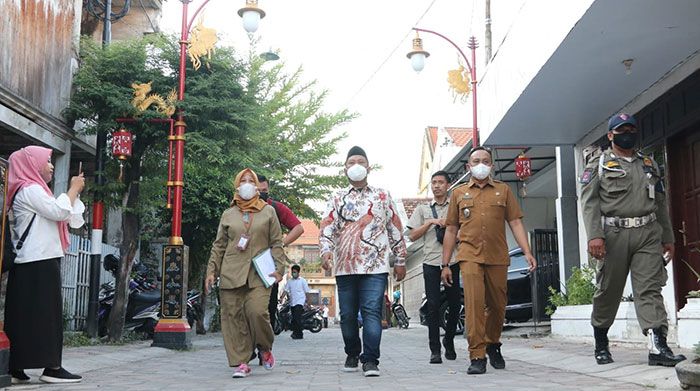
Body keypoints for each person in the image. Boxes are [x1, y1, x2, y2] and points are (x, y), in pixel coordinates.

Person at [579, 113, 686, 367]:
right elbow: (589, 202)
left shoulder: (648, 164)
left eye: (631, 129)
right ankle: (601, 341)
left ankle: (657, 346)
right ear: (610, 135)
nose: (627, 133)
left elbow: (660, 202)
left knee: (650, 288)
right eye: (621, 129)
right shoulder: (598, 164)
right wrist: (595, 235)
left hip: (648, 234)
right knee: (609, 290)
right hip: (613, 235)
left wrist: (667, 237)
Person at [441, 146, 536, 375]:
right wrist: (445, 264)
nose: (481, 164)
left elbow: (515, 223)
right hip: (469, 256)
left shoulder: (503, 191)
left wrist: (527, 252)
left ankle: (493, 342)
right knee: (473, 305)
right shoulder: (458, 193)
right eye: (476, 161)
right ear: (469, 166)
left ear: (491, 165)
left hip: (497, 256)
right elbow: (452, 230)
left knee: (497, 305)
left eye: (485, 160)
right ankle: (477, 354)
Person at [320, 145, 407, 377]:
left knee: (371, 312)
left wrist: (400, 259)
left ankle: (370, 360)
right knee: (347, 315)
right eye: (351, 162)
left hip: (375, 265)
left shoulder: (382, 195)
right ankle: (352, 353)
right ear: (345, 169)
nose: (356, 165)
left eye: (360, 161)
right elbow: (328, 226)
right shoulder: (337, 197)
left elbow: (394, 228)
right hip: (345, 266)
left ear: (368, 166)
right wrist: (325, 251)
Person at [5, 146, 85, 384]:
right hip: (37, 260)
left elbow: (69, 216)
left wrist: (74, 194)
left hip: (35, 260)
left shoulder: (34, 190)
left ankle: (16, 367)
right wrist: (72, 189)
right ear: (32, 163)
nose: (51, 165)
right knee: (46, 317)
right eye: (47, 161)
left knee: (26, 317)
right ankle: (52, 367)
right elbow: (59, 211)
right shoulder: (29, 189)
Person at [205, 168, 287, 379]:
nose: (248, 184)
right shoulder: (228, 214)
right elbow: (219, 246)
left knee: (257, 311)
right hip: (231, 272)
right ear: (237, 185)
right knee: (234, 318)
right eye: (244, 180)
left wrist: (280, 269)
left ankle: (265, 346)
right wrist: (211, 271)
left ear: (259, 187)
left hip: (260, 273)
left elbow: (276, 242)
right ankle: (241, 362)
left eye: (252, 180)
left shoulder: (268, 212)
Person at [407, 170, 460, 364]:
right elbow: (411, 236)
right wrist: (430, 222)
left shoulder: (456, 206)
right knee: (433, 306)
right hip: (430, 262)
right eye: (434, 182)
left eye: (440, 182)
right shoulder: (422, 209)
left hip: (454, 261)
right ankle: (435, 350)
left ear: (448, 185)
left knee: (455, 305)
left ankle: (449, 339)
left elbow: (463, 232)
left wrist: (451, 228)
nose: (436, 186)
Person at [253, 174, 304, 361]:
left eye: (265, 191)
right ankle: (247, 347)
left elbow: (298, 227)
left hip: (268, 267)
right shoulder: (239, 207)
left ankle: (263, 347)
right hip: (244, 265)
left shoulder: (275, 208)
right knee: (245, 308)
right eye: (258, 191)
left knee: (267, 308)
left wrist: (281, 244)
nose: (261, 195)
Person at [281, 264, 310, 339]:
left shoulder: (303, 281)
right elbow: (285, 290)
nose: (293, 273)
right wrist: (281, 298)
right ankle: (296, 333)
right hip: (292, 302)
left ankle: (299, 334)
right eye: (292, 272)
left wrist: (308, 302)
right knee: (294, 319)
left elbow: (307, 292)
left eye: (295, 272)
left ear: (298, 272)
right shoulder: (290, 281)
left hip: (300, 302)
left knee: (297, 318)